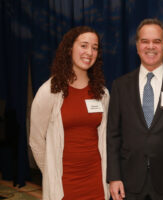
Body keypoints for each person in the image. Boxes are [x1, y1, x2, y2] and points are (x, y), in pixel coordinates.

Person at [107, 18, 163, 200]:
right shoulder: (120, 85)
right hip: (128, 183)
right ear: (137, 46)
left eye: (157, 41)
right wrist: (114, 176)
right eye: (145, 41)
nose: (151, 47)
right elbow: (113, 135)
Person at [30, 26, 110, 200]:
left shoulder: (102, 93)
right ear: (69, 49)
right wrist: (52, 172)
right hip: (64, 185)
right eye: (84, 45)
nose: (89, 52)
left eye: (94, 47)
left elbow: (105, 138)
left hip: (96, 182)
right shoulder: (49, 92)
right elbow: (36, 141)